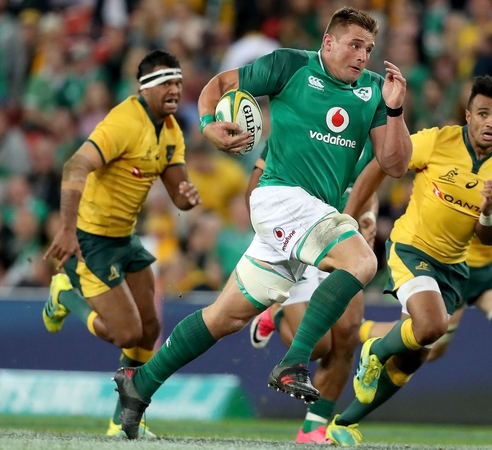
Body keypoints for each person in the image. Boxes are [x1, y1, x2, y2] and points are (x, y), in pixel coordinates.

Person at [112, 6, 412, 440]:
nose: (363, 56)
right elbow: (220, 85)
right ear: (328, 43)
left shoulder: (372, 92)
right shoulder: (289, 65)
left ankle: (139, 382)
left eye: (368, 48)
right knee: (362, 262)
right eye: (353, 45)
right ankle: (294, 361)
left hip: (311, 216)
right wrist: (212, 124)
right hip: (279, 197)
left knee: (224, 317)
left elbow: (395, 164)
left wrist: (397, 111)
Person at [359, 79, 492, 445]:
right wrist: (362, 208)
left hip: (486, 267)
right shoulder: (451, 142)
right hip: (449, 264)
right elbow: (438, 185)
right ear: (472, 114)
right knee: (429, 345)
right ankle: (359, 334)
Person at [324, 76, 492, 446]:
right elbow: (383, 163)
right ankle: (374, 348)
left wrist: (488, 213)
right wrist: (349, 218)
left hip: (454, 265)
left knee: (416, 358)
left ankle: (344, 423)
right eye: (483, 113)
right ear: (468, 115)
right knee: (431, 326)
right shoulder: (437, 140)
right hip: (412, 248)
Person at [41, 50, 200, 438]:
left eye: (178, 82)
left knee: (150, 329)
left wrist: (186, 195)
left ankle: (122, 419)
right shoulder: (124, 122)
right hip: (92, 238)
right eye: (166, 83)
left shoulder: (172, 130)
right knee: (127, 334)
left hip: (125, 236)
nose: (175, 89)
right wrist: (66, 229)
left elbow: (177, 190)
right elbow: (75, 165)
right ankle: (65, 294)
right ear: (145, 88)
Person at [246, 139, 379, 444]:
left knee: (347, 333)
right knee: (319, 347)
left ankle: (313, 426)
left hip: (342, 237)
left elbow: (370, 186)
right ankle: (275, 313)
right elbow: (255, 188)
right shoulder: (301, 114)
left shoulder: (371, 128)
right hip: (297, 235)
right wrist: (272, 237)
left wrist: (369, 215)